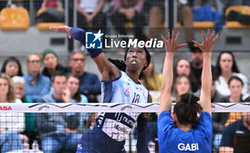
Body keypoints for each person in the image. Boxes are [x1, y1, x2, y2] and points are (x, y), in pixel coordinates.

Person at [50, 25, 151, 153]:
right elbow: (91, 44)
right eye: (130, 52)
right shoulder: (114, 73)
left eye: (139, 52)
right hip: (94, 142)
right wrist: (73, 31)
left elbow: (142, 134)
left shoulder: (145, 95)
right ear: (125, 60)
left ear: (146, 62)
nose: (134, 55)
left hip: (117, 148)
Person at [158, 28, 218, 152]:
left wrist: (169, 54)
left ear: (173, 118)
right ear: (197, 118)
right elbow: (206, 92)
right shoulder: (203, 135)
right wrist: (207, 54)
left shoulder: (167, 135)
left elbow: (164, 90)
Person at [36, 71, 82, 153]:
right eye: (58, 83)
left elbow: (74, 125)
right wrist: (63, 128)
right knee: (48, 149)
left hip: (70, 138)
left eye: (63, 83)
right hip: (50, 137)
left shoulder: (73, 103)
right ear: (52, 84)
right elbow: (41, 124)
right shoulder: (43, 101)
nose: (61, 86)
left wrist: (68, 103)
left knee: (85, 141)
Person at [0, 74, 26, 153]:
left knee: (9, 143)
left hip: (13, 138)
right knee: (13, 135)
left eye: (5, 84)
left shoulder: (17, 102)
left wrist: (5, 129)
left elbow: (22, 126)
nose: (2, 87)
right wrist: (11, 129)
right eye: (0, 84)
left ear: (9, 87)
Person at [12, 76, 38, 144]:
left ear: (24, 90)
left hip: (28, 132)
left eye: (20, 88)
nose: (18, 91)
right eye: (15, 88)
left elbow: (30, 125)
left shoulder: (28, 101)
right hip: (12, 132)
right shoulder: (6, 102)